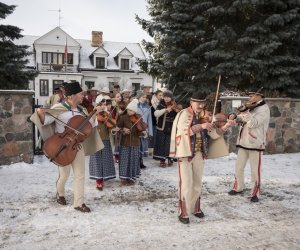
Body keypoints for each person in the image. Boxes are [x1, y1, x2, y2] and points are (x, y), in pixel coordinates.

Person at [31, 81, 104, 213]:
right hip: (62, 147)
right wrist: (41, 113)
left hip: (77, 146)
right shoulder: (59, 107)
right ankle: (60, 194)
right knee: (64, 175)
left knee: (80, 175)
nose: (83, 96)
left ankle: (79, 203)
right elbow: (45, 121)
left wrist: (94, 115)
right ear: (72, 96)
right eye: (80, 94)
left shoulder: (81, 110)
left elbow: (90, 126)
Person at [169, 92, 235, 224]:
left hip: (199, 153)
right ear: (191, 102)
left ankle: (194, 208)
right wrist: (201, 126)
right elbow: (183, 131)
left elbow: (214, 135)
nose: (200, 105)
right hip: (186, 153)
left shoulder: (206, 116)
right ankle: (183, 211)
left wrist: (226, 126)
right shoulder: (184, 114)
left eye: (202, 103)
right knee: (186, 184)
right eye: (197, 103)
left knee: (197, 184)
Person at [228, 91, 270, 202]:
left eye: (252, 96)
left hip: (255, 143)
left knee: (255, 170)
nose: (249, 98)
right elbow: (240, 118)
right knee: (239, 167)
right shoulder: (250, 107)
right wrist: (234, 116)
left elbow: (253, 123)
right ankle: (238, 187)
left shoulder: (264, 109)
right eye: (249, 96)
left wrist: (246, 114)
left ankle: (255, 193)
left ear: (259, 96)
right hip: (243, 142)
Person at [89, 98, 119, 191]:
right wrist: (95, 114)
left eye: (104, 105)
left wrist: (114, 129)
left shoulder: (107, 115)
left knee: (105, 159)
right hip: (95, 140)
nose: (102, 107)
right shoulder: (92, 115)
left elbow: (110, 128)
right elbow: (89, 125)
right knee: (97, 160)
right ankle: (98, 180)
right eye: (100, 105)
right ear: (96, 105)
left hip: (105, 140)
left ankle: (104, 176)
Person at [117, 99, 147, 185]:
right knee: (124, 161)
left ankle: (131, 177)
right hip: (125, 143)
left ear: (135, 111)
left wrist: (142, 130)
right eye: (129, 110)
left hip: (135, 143)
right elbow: (117, 128)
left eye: (131, 110)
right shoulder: (123, 118)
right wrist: (123, 130)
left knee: (133, 161)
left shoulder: (139, 118)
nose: (129, 111)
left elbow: (140, 130)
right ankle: (123, 178)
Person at [153, 90, 178, 167]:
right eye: (165, 97)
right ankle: (162, 160)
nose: (166, 99)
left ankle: (170, 158)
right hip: (162, 128)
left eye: (168, 97)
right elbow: (156, 114)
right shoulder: (161, 104)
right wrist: (165, 110)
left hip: (171, 128)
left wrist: (177, 110)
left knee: (170, 144)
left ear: (171, 98)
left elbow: (178, 115)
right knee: (162, 144)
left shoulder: (174, 105)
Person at [136, 90, 153, 169]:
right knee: (137, 146)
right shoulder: (135, 106)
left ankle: (141, 161)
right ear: (139, 97)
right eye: (143, 97)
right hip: (137, 129)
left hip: (145, 129)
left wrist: (150, 132)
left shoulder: (148, 107)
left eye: (145, 97)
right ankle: (136, 161)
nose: (144, 98)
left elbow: (149, 120)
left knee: (143, 146)